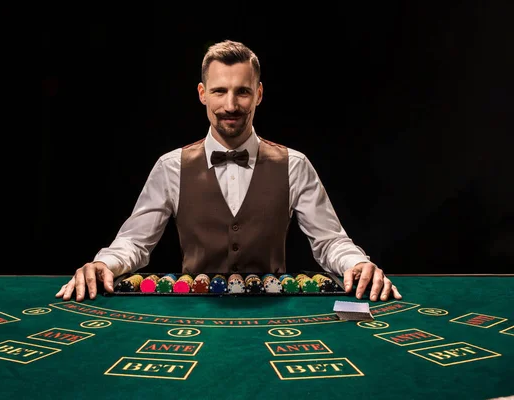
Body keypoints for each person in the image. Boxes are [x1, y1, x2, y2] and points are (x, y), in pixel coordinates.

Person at [55, 39, 402, 303]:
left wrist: (357, 263)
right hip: (194, 313)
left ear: (259, 94)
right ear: (202, 94)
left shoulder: (294, 165)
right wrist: (106, 264)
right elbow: (134, 242)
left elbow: (329, 241)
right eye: (220, 91)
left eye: (242, 92)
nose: (231, 105)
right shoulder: (170, 166)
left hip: (273, 313)